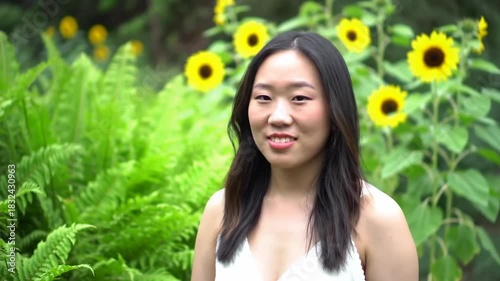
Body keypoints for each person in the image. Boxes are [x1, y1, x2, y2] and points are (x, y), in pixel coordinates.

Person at [191, 31, 418, 281]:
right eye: (263, 98)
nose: (278, 117)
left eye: (299, 98)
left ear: (335, 111)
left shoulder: (378, 219)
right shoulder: (222, 211)